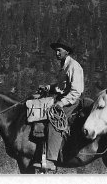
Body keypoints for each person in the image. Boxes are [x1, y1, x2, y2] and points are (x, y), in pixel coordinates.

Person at [35, 40, 84, 172]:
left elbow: (76, 91)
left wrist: (61, 102)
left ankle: (51, 160)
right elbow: (60, 87)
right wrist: (48, 87)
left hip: (71, 102)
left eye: (59, 50)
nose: (56, 53)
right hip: (62, 99)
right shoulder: (64, 66)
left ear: (67, 51)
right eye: (56, 51)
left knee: (54, 121)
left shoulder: (74, 66)